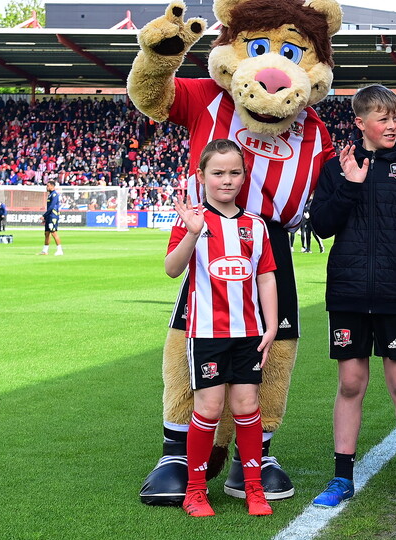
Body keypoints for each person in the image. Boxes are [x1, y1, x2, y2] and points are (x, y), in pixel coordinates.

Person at [308, 84, 396, 509]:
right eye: (382, 118)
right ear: (360, 122)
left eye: (395, 117)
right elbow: (323, 227)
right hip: (347, 293)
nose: (392, 125)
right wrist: (349, 184)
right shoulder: (338, 166)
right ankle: (341, 477)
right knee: (350, 383)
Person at [164, 139, 278, 517]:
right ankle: (195, 491)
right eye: (218, 173)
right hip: (207, 334)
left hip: (248, 333)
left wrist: (272, 323)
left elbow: (265, 277)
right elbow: (172, 268)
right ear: (202, 176)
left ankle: (254, 488)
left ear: (244, 176)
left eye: (234, 173)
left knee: (247, 406)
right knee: (209, 409)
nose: (226, 180)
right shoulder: (192, 220)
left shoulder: (255, 225)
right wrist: (194, 233)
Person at [39, 181, 63, 256]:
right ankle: (45, 250)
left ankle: (60, 250)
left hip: (53, 216)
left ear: (52, 186)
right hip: (49, 216)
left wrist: (44, 215)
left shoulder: (55, 195)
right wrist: (46, 217)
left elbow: (52, 207)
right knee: (46, 233)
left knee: (53, 232)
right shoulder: (50, 195)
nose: (47, 187)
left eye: (48, 186)